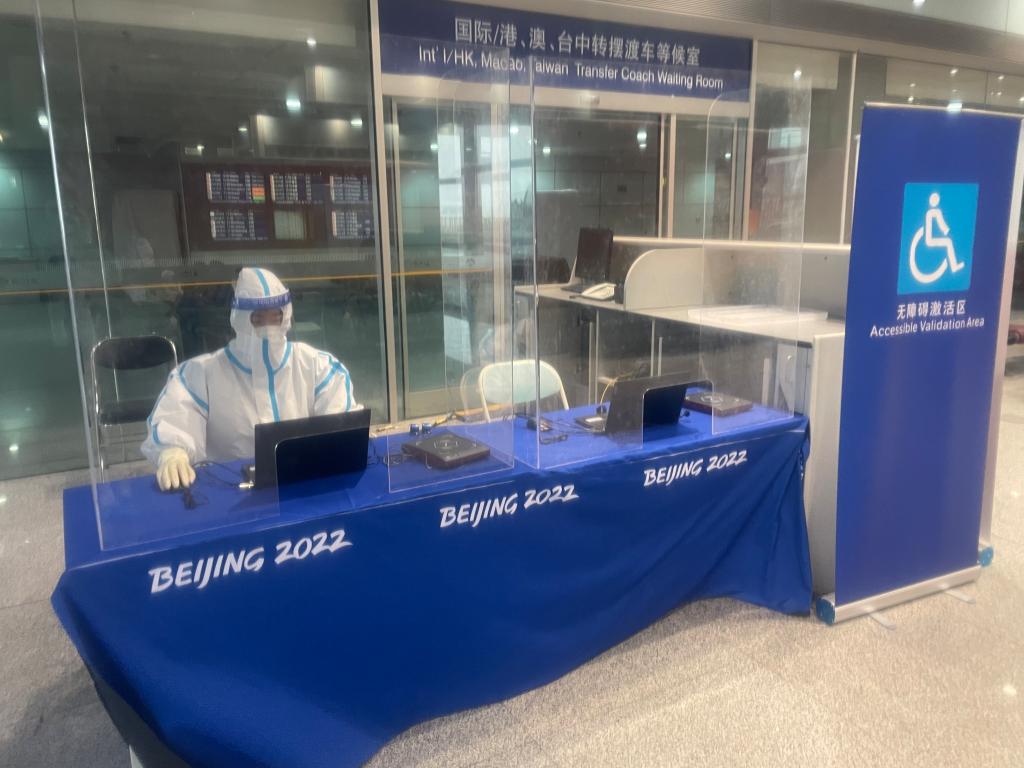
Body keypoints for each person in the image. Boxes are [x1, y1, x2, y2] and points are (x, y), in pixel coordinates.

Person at [142, 267, 358, 490]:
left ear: (286, 315)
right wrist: (173, 451)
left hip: (305, 485)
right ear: (241, 320)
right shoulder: (199, 375)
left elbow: (341, 423)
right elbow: (176, 417)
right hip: (229, 490)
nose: (268, 326)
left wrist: (340, 442)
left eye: (276, 316)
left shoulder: (317, 366)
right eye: (258, 318)